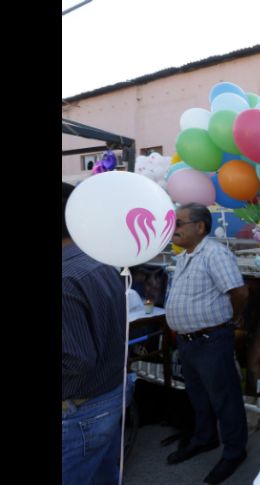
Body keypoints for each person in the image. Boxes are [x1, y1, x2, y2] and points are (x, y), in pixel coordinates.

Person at [164, 203, 250, 484]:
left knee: (225, 400)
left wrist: (233, 320)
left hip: (211, 339)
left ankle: (235, 452)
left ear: (199, 227)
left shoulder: (214, 253)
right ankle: (205, 438)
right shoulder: (186, 255)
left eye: (179, 223)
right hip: (189, 342)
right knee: (199, 396)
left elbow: (239, 291)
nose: (173, 228)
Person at [62, 182, 135, 485]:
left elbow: (75, 361)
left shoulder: (66, 278)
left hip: (83, 406)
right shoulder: (101, 259)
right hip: (111, 392)